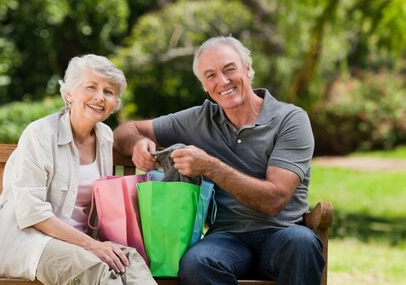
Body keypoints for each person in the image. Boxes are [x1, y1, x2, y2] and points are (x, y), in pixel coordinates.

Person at [113, 36, 325, 285]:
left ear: (248, 69)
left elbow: (274, 199)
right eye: (210, 75)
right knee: (197, 263)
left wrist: (210, 166)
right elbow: (124, 130)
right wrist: (137, 142)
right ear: (204, 85)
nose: (222, 81)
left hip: (283, 233)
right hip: (227, 237)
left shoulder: (290, 120)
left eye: (229, 69)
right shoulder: (200, 119)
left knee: (303, 243)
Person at [0, 54, 156, 285]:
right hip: (29, 242)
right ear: (69, 93)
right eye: (91, 87)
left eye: (108, 91)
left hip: (80, 245)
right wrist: (92, 245)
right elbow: (33, 213)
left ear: (114, 103)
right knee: (98, 270)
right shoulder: (39, 134)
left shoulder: (105, 136)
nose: (99, 97)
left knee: (130, 261)